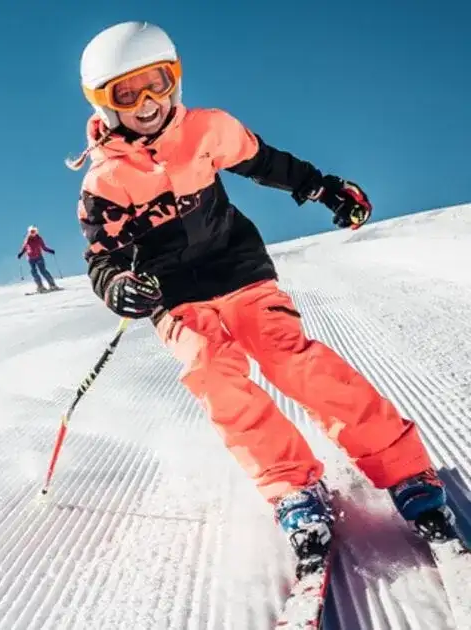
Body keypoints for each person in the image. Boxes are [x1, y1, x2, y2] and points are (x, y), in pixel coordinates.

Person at [72, 21, 459, 570]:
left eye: (157, 82)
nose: (148, 103)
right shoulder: (104, 183)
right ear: (104, 104)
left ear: (175, 78)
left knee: (287, 357)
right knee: (212, 372)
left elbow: (264, 162)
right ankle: (290, 487)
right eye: (127, 94)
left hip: (238, 266)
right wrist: (119, 285)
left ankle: (403, 468)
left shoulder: (205, 129)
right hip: (174, 294)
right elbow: (100, 258)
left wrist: (323, 188)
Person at [17, 225, 60, 292]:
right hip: (30, 258)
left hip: (39, 257)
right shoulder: (27, 239)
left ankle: (52, 285)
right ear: (29, 232)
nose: (33, 233)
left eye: (35, 231)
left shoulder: (39, 238)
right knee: (33, 272)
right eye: (32, 232)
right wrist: (21, 254)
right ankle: (40, 286)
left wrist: (50, 251)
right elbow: (25, 248)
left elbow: (44, 247)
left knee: (43, 271)